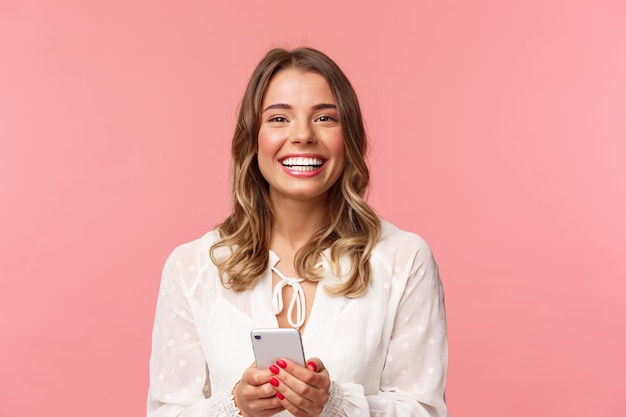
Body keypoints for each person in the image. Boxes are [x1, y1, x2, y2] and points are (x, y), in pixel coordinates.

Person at [147, 47, 449, 417]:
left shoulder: (403, 259)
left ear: (348, 137)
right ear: (253, 137)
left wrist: (334, 403)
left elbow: (425, 411)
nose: (303, 135)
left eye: (324, 117)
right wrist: (235, 405)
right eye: (279, 118)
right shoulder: (192, 267)